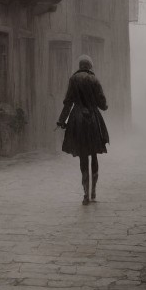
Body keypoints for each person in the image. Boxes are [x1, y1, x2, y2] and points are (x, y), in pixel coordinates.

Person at [56, 55, 109, 205]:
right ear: (90, 66)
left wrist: (61, 120)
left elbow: (68, 102)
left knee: (83, 156)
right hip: (93, 120)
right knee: (94, 155)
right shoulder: (94, 79)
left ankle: (85, 193)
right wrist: (103, 105)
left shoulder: (73, 79)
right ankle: (94, 192)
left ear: (80, 66)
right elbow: (102, 103)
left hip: (78, 121)